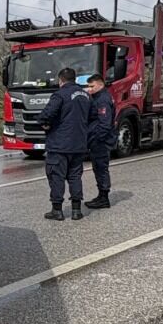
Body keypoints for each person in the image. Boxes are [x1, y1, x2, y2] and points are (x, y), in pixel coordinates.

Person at [40, 67, 92, 221]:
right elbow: (93, 116)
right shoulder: (86, 96)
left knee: (56, 176)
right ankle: (76, 210)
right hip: (79, 143)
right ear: (75, 79)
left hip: (60, 144)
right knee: (75, 176)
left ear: (61, 80)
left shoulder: (60, 94)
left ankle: (57, 210)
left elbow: (47, 114)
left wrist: (44, 123)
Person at [84, 72, 114, 209]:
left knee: (101, 168)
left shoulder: (102, 100)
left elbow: (105, 124)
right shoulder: (96, 98)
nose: (89, 89)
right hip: (96, 139)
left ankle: (104, 197)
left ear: (100, 85)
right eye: (88, 86)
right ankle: (101, 195)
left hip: (101, 141)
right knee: (98, 168)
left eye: (92, 86)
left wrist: (97, 139)